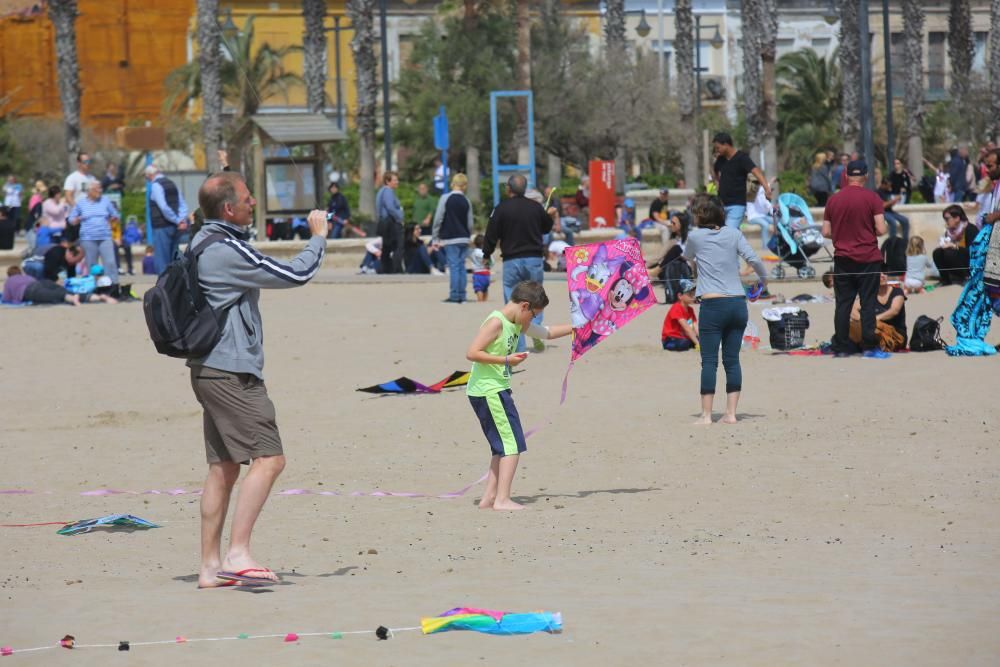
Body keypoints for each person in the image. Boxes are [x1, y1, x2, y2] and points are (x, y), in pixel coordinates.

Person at [185, 171, 327, 588]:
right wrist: (317, 237)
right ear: (228, 208)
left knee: (224, 468)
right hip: (230, 370)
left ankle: (210, 568)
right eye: (247, 199)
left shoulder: (199, 241)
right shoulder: (224, 249)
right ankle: (237, 553)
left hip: (208, 368)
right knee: (270, 459)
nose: (253, 204)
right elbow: (293, 274)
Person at [465, 280, 572, 511]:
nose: (533, 321)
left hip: (494, 389)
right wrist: (505, 360)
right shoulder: (497, 322)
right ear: (524, 306)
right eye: (534, 315)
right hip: (489, 391)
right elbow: (472, 352)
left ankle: (489, 498)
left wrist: (577, 327)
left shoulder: (516, 323)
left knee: (500, 447)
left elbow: (548, 333)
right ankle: (503, 500)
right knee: (512, 444)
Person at [683, 194, 767, 424]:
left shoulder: (695, 236)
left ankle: (706, 415)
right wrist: (764, 281)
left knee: (709, 361)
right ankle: (730, 414)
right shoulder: (733, 233)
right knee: (732, 360)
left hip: (713, 304)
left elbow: (687, 258)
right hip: (738, 303)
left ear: (699, 215)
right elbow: (754, 259)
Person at [821, 159, 889, 357]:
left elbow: (825, 232)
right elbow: (881, 229)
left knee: (843, 304)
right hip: (868, 257)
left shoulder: (833, 200)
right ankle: (869, 346)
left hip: (843, 258)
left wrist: (843, 235)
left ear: (846, 176)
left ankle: (841, 347)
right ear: (866, 176)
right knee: (868, 304)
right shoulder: (873, 198)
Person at [482, 174, 554, 353]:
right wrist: (549, 216)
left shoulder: (501, 209)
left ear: (508, 189)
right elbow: (546, 227)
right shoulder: (535, 207)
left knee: (513, 301)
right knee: (536, 297)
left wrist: (486, 254)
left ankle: (518, 345)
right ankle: (536, 331)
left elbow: (491, 233)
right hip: (533, 258)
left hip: (511, 260)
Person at [712, 132, 772, 231]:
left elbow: (757, 172)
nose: (717, 150)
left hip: (737, 205)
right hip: (722, 204)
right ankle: (743, 247)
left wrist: (766, 188)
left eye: (718, 147)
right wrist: (717, 183)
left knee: (728, 232)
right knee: (734, 235)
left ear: (726, 144)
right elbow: (715, 173)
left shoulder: (742, 158)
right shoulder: (720, 160)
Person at [68, 181, 120, 288]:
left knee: (110, 263)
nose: (99, 191)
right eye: (97, 189)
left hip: (105, 237)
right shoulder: (81, 203)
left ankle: (113, 286)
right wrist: (77, 219)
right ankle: (93, 287)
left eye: (100, 189)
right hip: (88, 238)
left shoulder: (105, 201)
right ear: (89, 191)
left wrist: (114, 217)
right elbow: (71, 219)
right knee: (91, 264)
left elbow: (115, 214)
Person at [431, 173, 474, 302]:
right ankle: (462, 294)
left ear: (453, 183)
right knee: (461, 266)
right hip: (464, 237)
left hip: (451, 237)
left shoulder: (446, 198)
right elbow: (470, 222)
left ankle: (455, 295)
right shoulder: (467, 201)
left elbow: (438, 218)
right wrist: (468, 235)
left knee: (454, 266)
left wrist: (435, 236)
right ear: (464, 185)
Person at [146, 165, 190, 273]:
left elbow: (164, 207)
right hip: (175, 227)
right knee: (173, 258)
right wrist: (181, 220)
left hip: (162, 226)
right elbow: (183, 205)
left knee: (162, 261)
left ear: (150, 175)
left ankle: (163, 286)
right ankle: (173, 285)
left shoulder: (156, 186)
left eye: (147, 177)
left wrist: (176, 220)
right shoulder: (172, 184)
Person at [851, 271, 907, 351]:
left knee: (872, 327)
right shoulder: (871, 294)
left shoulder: (897, 292)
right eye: (879, 274)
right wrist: (864, 321)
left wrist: (873, 320)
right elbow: (853, 309)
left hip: (895, 335)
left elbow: (894, 311)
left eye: (884, 273)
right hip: (876, 330)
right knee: (853, 325)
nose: (882, 276)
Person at [933, 205, 979, 285]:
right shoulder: (949, 231)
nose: (946, 222)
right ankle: (945, 279)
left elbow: (974, 252)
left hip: (970, 262)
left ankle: (966, 277)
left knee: (949, 253)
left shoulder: (970, 229)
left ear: (957, 218)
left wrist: (954, 246)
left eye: (947, 219)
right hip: (957, 259)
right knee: (937, 252)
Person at [2, 265, 83, 305]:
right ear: (19, 272)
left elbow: (6, 298)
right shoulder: (26, 276)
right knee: (61, 290)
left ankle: (72, 299)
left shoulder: (9, 281)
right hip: (41, 282)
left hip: (29, 290)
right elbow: (35, 282)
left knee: (55, 295)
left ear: (9, 274)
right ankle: (90, 297)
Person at [375, 171, 404, 274]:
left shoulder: (381, 191)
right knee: (398, 246)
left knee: (387, 247)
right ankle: (396, 269)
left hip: (385, 223)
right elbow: (390, 207)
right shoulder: (388, 191)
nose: (397, 182)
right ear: (388, 181)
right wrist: (400, 217)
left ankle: (385, 269)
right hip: (391, 223)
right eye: (395, 180)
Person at [661, 279, 699, 351]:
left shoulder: (690, 310)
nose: (693, 296)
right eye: (690, 294)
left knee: (697, 340)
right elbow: (687, 328)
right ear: (680, 296)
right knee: (684, 343)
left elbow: (695, 327)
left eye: (693, 294)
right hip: (670, 339)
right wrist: (698, 344)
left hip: (683, 337)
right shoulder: (676, 308)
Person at [877, 177, 910, 242]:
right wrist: (894, 200)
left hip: (890, 211)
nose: (890, 187)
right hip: (882, 212)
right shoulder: (877, 192)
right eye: (888, 186)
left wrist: (897, 198)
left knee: (905, 220)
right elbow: (882, 206)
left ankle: (905, 241)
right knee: (892, 222)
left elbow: (890, 202)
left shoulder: (888, 191)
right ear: (883, 184)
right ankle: (892, 242)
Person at [470, 234, 490, 301]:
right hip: (486, 273)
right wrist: (488, 265)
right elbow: (491, 261)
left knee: (478, 288)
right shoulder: (486, 252)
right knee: (485, 288)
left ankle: (480, 301)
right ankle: (485, 300)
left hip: (478, 273)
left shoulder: (473, 252)